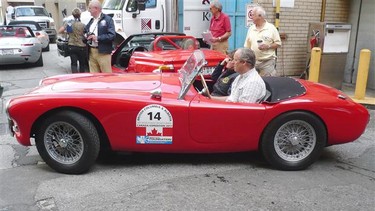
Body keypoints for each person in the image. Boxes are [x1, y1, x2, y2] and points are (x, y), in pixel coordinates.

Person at [244, 5, 281, 76]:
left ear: (260, 16)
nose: (251, 17)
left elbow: (278, 43)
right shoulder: (251, 28)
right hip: (253, 62)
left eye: (253, 15)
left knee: (268, 82)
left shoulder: (271, 28)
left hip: (267, 63)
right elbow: (247, 46)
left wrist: (268, 46)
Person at [84, 0, 116, 73]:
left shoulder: (108, 20)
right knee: (94, 77)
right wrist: (86, 35)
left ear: (96, 8)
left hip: (103, 53)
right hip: (91, 52)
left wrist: (97, 38)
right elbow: (85, 30)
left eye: (90, 8)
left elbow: (112, 35)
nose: (88, 10)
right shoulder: (91, 21)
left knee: (106, 76)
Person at [58, 8, 88, 73]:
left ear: (72, 15)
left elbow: (60, 31)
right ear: (80, 15)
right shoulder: (83, 25)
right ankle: (82, 78)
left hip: (72, 45)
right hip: (81, 46)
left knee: (73, 63)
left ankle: (74, 77)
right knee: (82, 64)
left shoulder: (69, 23)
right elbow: (86, 34)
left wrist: (67, 32)